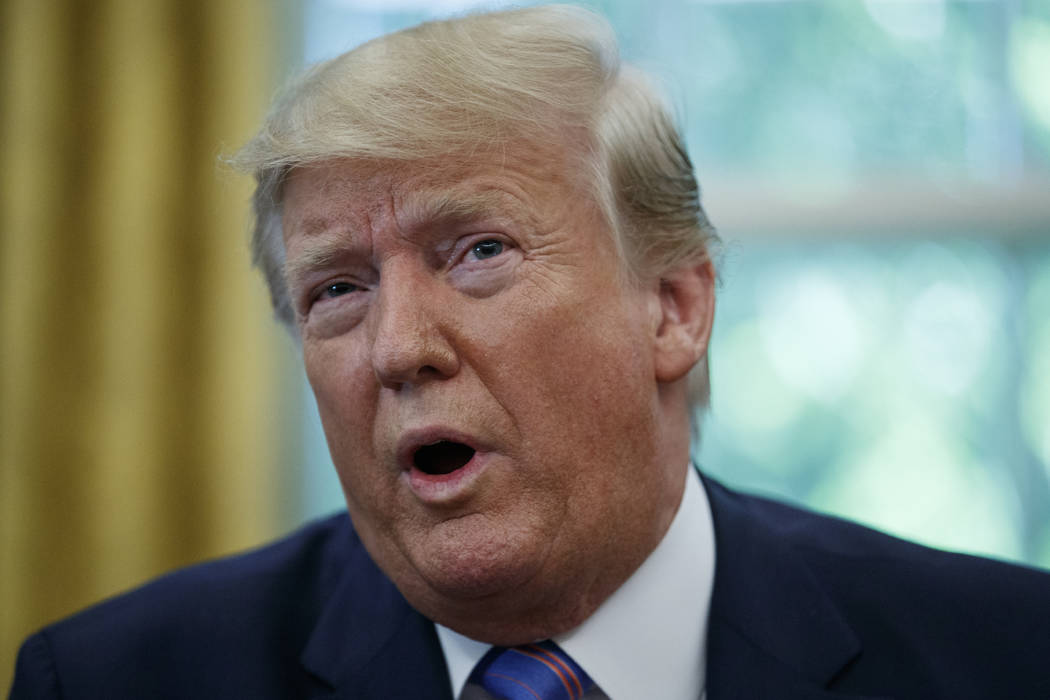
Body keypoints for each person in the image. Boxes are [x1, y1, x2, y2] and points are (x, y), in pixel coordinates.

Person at [10, 5, 1050, 699]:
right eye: (337, 290)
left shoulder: (1004, 656)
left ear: (674, 308)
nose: (398, 348)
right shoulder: (118, 679)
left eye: (479, 252)